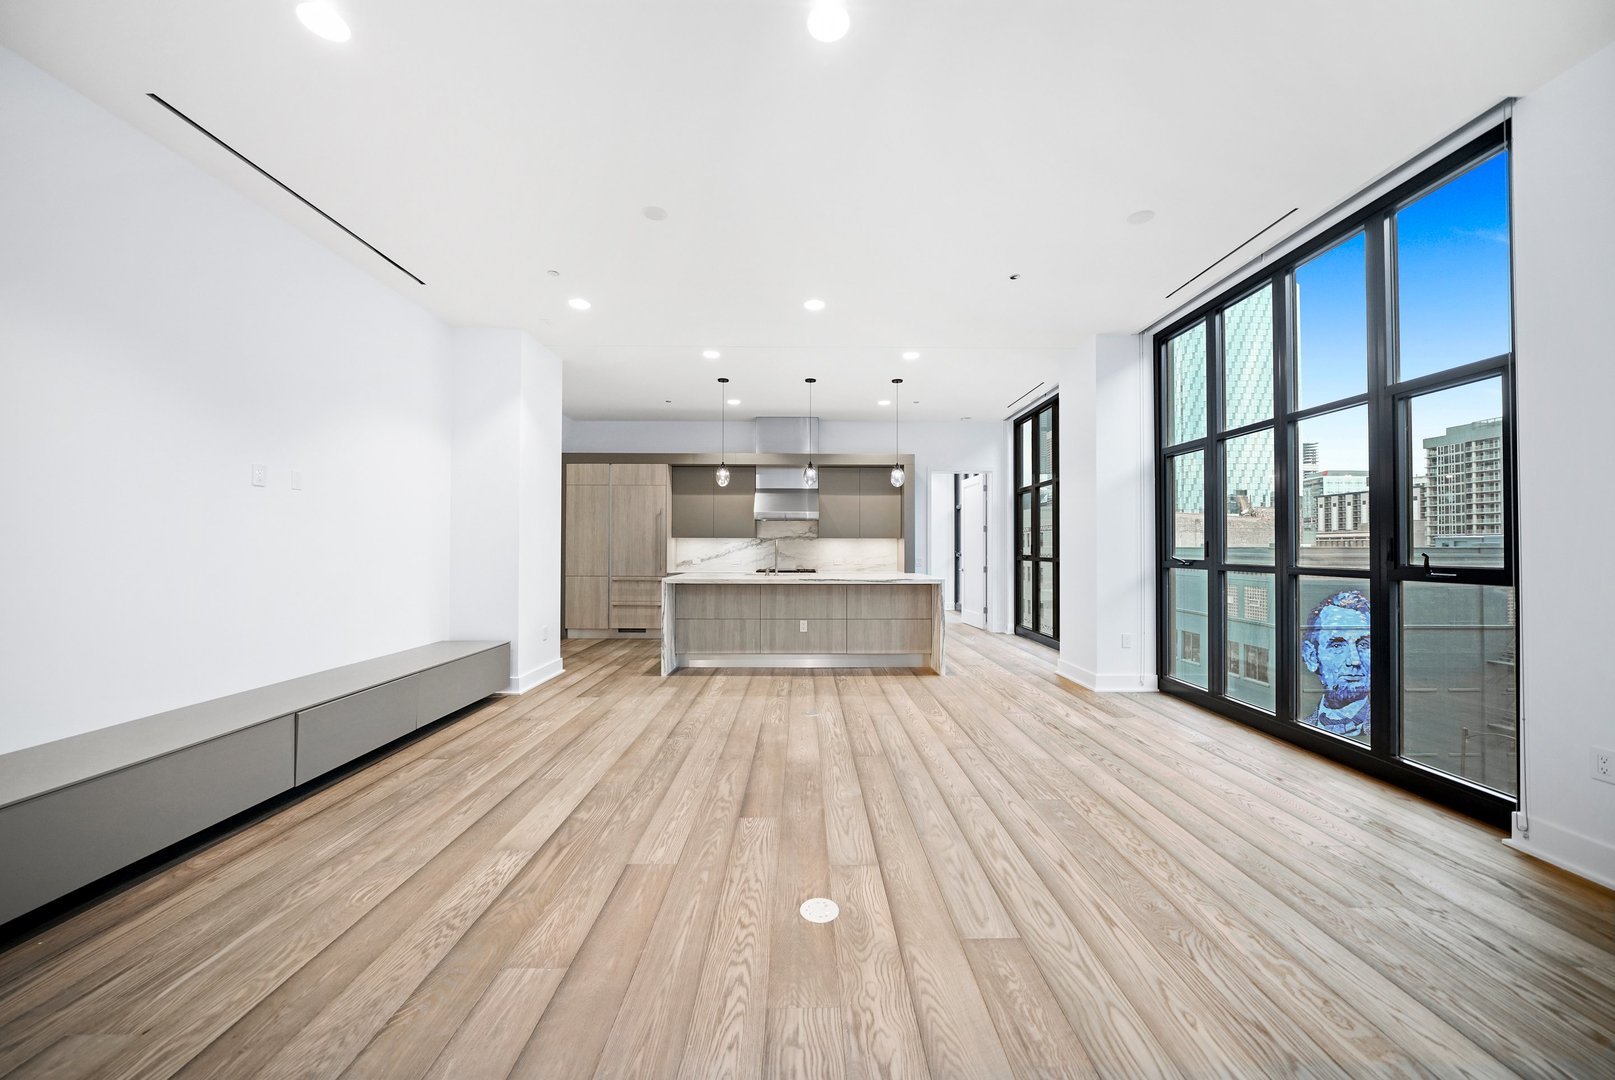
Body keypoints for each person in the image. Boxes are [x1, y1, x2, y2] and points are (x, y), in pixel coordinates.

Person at [1300, 589, 1371, 738]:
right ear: (1311, 656)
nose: (1354, 660)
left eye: (1364, 645)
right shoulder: (1304, 724)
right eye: (1337, 646)